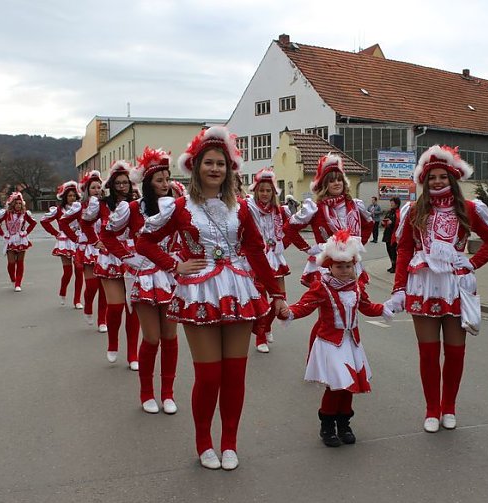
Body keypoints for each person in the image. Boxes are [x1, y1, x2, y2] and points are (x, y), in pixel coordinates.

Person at [135, 125, 288, 471]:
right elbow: (144, 241)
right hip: (199, 292)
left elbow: (255, 251)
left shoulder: (242, 209)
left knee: (235, 375)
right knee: (209, 377)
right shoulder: (178, 206)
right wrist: (175, 265)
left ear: (230, 169)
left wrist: (276, 293)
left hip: (238, 291)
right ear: (196, 167)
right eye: (209, 163)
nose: (215, 169)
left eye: (221, 163)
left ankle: (229, 443)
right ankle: (204, 442)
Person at [388, 145, 488, 432]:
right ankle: (431, 409)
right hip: (423, 284)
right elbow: (403, 250)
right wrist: (399, 288)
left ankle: (449, 407)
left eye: (442, 176)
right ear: (424, 182)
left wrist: (471, 264)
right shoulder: (414, 210)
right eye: (432, 177)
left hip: (455, 285)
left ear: (452, 179)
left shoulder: (470, 209)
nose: (437, 182)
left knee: (455, 352)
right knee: (428, 353)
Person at [280, 230, 394, 447]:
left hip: (351, 343)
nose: (344, 271)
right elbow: (306, 305)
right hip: (330, 344)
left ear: (354, 266)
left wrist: (386, 308)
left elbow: (367, 308)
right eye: (339, 266)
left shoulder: (357, 287)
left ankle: (344, 424)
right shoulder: (322, 287)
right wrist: (290, 312)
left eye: (348, 266)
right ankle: (327, 426)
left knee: (349, 385)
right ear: (329, 267)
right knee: (336, 386)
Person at [101, 147, 181, 414]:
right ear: (148, 183)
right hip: (144, 276)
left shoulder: (176, 207)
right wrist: (127, 257)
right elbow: (108, 234)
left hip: (170, 276)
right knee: (152, 338)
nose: (165, 184)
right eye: (160, 180)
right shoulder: (132, 208)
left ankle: (167, 393)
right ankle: (147, 392)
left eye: (167, 179)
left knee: (170, 337)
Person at [82, 161, 140, 368]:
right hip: (109, 257)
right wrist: (95, 241)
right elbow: (85, 222)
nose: (123, 186)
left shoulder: (138, 204)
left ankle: (133, 353)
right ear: (113, 184)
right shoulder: (102, 204)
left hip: (133, 257)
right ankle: (113, 343)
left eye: (126, 183)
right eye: (119, 183)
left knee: (132, 308)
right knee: (115, 308)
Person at [245, 167, 308, 353]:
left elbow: (288, 232)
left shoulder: (280, 211)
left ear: (274, 192)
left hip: (275, 259)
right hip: (257, 259)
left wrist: (280, 247)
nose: (265, 194)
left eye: (268, 190)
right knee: (262, 300)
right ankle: (260, 337)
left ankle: (267, 326)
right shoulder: (249, 210)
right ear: (256, 191)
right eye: (261, 190)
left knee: (280, 298)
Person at [286, 153, 374, 286]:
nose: (337, 183)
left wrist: (357, 244)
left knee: (353, 299)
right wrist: (308, 249)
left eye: (339, 180)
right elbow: (289, 228)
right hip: (326, 264)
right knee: (327, 301)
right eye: (332, 181)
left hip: (350, 263)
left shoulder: (355, 205)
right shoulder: (316, 208)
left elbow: (369, 224)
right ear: (324, 185)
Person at [60, 171, 107, 331]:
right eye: (93, 187)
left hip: (104, 250)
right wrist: (75, 238)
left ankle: (102, 320)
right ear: (87, 190)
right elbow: (63, 222)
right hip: (88, 249)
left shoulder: (106, 206)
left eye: (99, 187)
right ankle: (88, 305)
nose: (97, 190)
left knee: (104, 287)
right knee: (92, 285)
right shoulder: (80, 206)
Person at [41, 181, 84, 307]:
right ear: (65, 197)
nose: (72, 198)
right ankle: (63, 291)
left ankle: (77, 300)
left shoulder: (81, 209)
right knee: (68, 272)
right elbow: (44, 221)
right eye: (70, 196)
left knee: (79, 270)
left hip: (78, 240)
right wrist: (55, 233)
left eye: (74, 196)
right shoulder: (59, 210)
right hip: (65, 242)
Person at [0, 192, 37, 291]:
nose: (18, 205)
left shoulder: (25, 214)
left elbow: (33, 223)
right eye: (16, 203)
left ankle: (18, 283)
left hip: (21, 239)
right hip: (10, 239)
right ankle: (13, 278)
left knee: (20, 262)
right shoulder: (6, 213)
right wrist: (3, 234)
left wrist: (25, 232)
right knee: (11, 262)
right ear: (12, 204)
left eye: (20, 203)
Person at [381, 196, 401, 272]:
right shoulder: (390, 212)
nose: (391, 205)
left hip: (394, 235)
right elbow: (385, 219)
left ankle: (395, 266)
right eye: (391, 203)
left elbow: (399, 223)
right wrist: (383, 223)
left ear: (396, 204)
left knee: (393, 251)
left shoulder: (398, 212)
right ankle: (392, 265)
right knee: (389, 250)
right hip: (387, 234)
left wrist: (391, 223)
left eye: (392, 203)